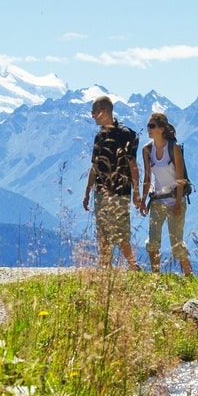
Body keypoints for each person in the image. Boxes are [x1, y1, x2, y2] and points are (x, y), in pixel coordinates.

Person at [81, 95, 141, 269]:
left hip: (120, 191)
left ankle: (133, 266)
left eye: (94, 112)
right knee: (102, 232)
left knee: (121, 233)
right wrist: (87, 192)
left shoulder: (126, 134)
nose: (92, 116)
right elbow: (94, 166)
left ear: (103, 112)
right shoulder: (99, 137)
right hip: (100, 191)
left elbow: (132, 165)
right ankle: (105, 266)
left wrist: (136, 191)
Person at [141, 111, 193, 276]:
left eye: (152, 126)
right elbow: (147, 177)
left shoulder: (174, 148)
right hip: (157, 200)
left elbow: (180, 178)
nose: (149, 129)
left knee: (177, 245)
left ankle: (189, 275)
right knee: (152, 242)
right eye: (148, 125)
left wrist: (178, 203)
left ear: (162, 128)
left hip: (175, 199)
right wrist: (143, 199)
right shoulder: (147, 150)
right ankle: (156, 275)